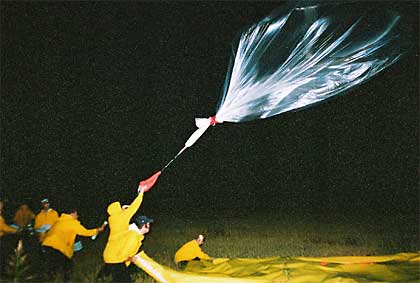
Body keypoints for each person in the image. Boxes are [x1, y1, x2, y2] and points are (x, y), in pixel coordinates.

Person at [102, 186, 153, 283]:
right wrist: (141, 193)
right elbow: (134, 207)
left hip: (110, 253)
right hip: (116, 258)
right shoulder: (122, 217)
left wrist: (122, 209)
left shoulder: (113, 219)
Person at [41, 207, 105, 282]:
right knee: (68, 268)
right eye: (76, 214)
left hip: (46, 245)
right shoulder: (72, 222)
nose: (77, 216)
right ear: (72, 214)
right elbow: (86, 232)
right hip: (58, 248)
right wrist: (98, 230)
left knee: (51, 268)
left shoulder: (59, 221)